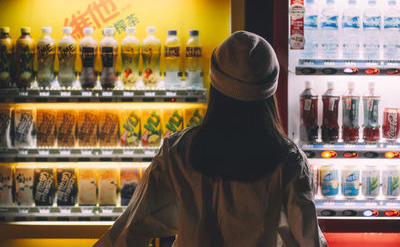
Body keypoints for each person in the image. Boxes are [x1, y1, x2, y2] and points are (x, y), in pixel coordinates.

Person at [94, 31, 328, 247]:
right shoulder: (288, 159)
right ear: (270, 92)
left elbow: (129, 232)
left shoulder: (178, 150)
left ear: (214, 85)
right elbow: (309, 240)